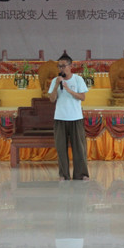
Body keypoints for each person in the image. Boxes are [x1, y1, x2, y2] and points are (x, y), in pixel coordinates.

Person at [48, 52, 89, 181]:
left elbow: (82, 97)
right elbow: (52, 99)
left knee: (79, 148)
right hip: (60, 118)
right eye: (59, 66)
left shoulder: (78, 79)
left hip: (75, 118)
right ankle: (63, 175)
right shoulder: (55, 80)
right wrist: (57, 85)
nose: (61, 69)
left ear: (70, 66)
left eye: (63, 66)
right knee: (61, 148)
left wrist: (69, 90)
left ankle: (81, 174)